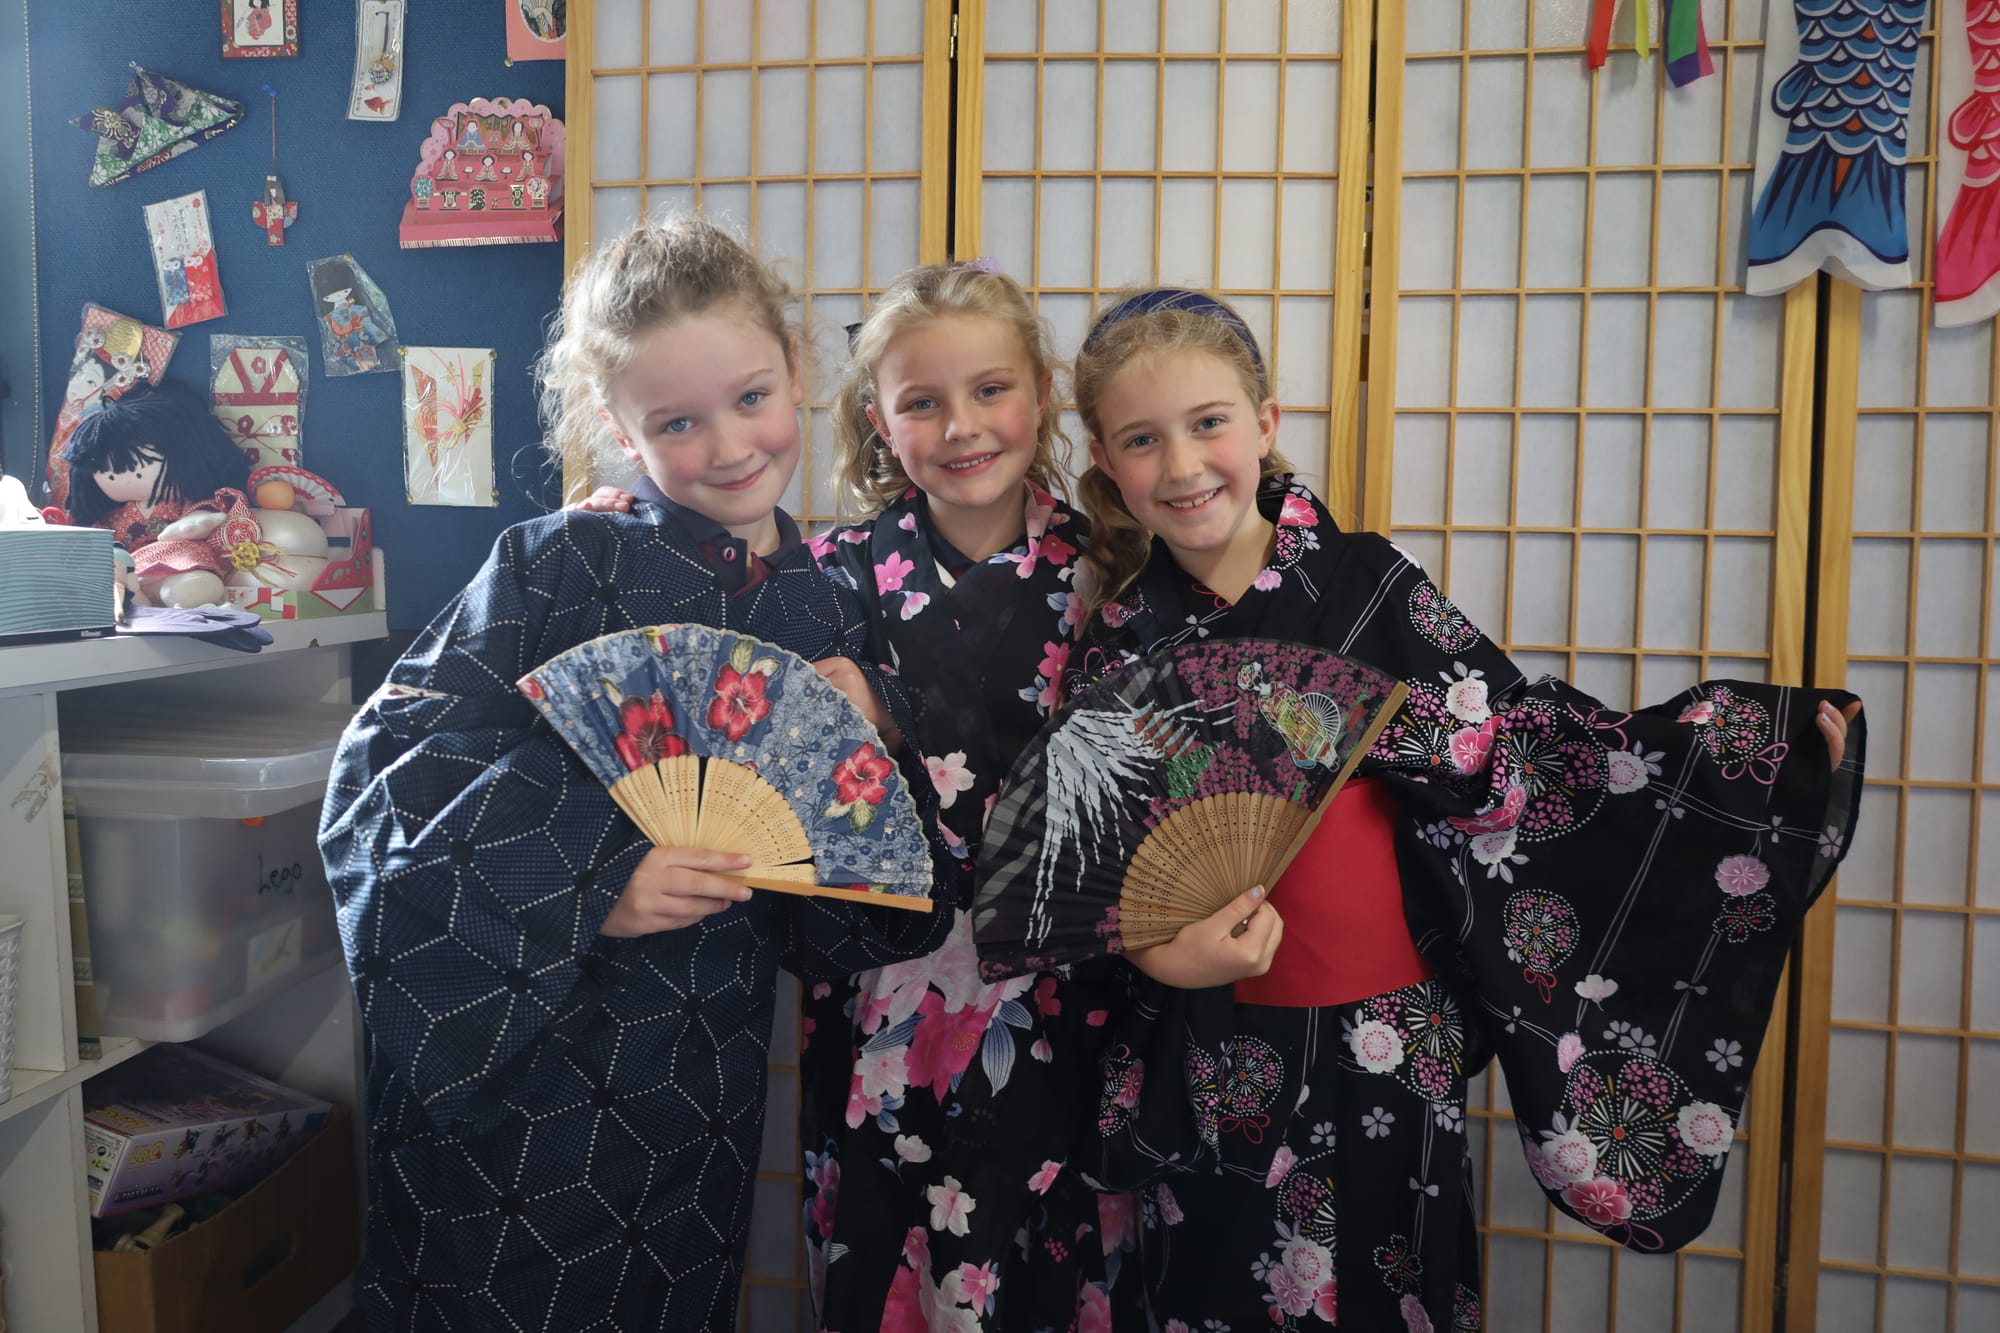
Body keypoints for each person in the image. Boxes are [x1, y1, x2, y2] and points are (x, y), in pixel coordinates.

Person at [977, 288, 1865, 1331]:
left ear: (1264, 423)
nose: (1180, 465)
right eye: (1141, 438)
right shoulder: (1124, 637)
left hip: (1384, 1034)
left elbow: (1522, 746)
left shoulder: (1364, 583)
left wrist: (1744, 755)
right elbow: (1094, 878)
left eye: (1208, 422)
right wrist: (1168, 956)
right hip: (1214, 1040)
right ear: (1106, 459)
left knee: (1386, 1293)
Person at [318, 214, 955, 1333]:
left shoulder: (825, 601)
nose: (727, 445)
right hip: (523, 1068)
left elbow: (863, 900)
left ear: (799, 373)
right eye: (677, 420)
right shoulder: (561, 561)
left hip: (699, 1071)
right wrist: (595, 875)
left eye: (751, 399)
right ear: (616, 425)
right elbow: (387, 771)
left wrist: (868, 738)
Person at [578, 260, 1144, 1331]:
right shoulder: (823, 571)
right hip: (878, 989)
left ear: (1039, 394)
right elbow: (708, 687)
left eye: (990, 390)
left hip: (1066, 991)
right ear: (877, 421)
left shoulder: (1109, 570)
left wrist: (901, 708)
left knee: (1053, 1272)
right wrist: (622, 520)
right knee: (886, 1263)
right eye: (920, 401)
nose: (962, 426)